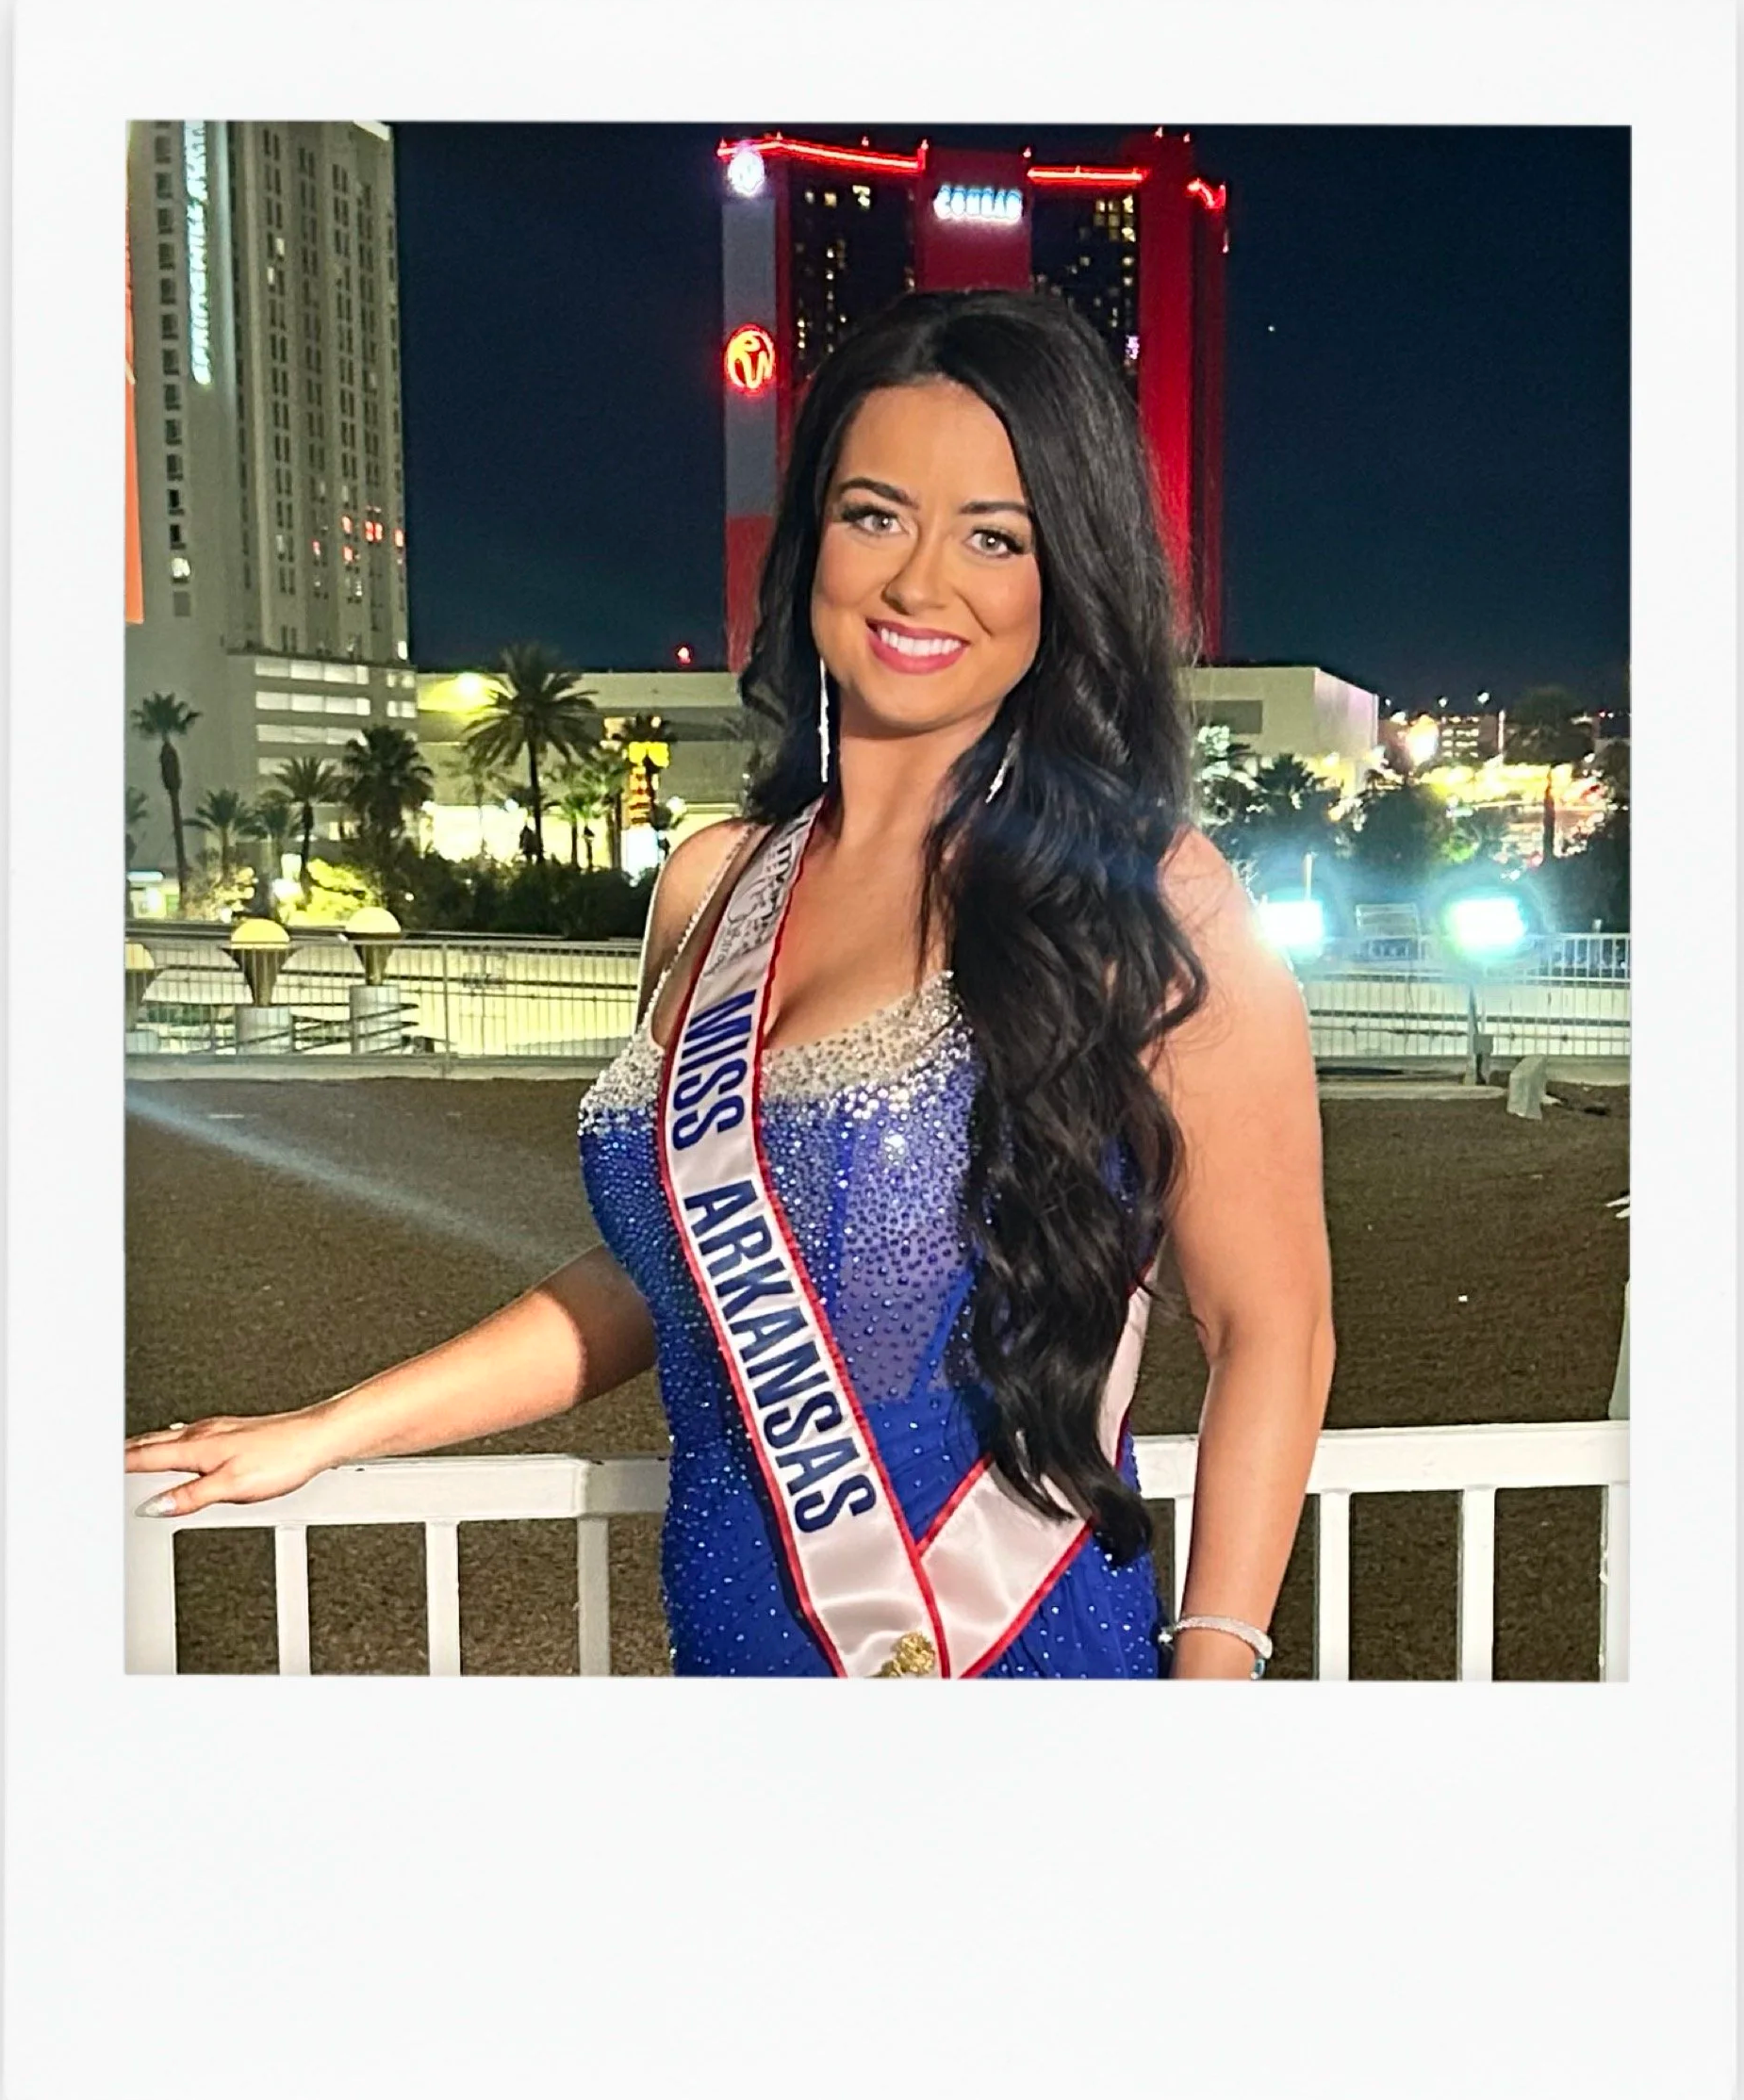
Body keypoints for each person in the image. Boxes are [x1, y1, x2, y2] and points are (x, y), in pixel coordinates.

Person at [126, 288, 1334, 1680]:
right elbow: (677, 1275)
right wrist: (330, 1428)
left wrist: (1213, 1681)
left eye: (991, 536)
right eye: (876, 514)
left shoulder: (1146, 891)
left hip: (1021, 1656)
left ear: (1061, 576)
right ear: (810, 533)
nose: (917, 584)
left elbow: (1273, 1328)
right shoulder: (713, 886)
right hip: (732, 1665)